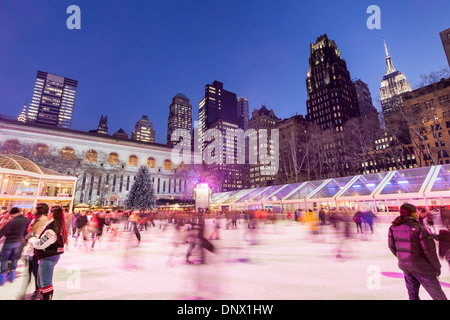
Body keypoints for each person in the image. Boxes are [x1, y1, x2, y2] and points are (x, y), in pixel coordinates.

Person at [388, 203, 447, 300]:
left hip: (407, 268)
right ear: (412, 213)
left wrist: (404, 259)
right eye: (416, 212)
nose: (418, 214)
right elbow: (430, 251)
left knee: (413, 295)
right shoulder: (420, 228)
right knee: (438, 296)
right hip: (423, 268)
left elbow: (392, 247)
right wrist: (437, 267)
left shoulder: (393, 227)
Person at [28, 206, 68, 300]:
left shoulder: (52, 228)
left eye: (49, 212)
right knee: (41, 282)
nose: (47, 214)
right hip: (49, 256)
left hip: (48, 257)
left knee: (45, 284)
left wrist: (32, 240)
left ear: (52, 214)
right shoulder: (55, 225)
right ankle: (43, 297)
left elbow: (40, 244)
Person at [20, 203, 49, 300]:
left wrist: (31, 235)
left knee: (36, 271)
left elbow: (38, 235)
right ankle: (33, 289)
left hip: (35, 249)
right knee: (30, 270)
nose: (33, 209)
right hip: (30, 247)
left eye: (36, 208)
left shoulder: (43, 219)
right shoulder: (35, 218)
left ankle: (38, 289)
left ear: (40, 209)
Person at [0, 207, 30, 285]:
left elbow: (2, 232)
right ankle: (12, 275)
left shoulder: (12, 221)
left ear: (12, 214)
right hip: (19, 242)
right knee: (15, 258)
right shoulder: (26, 220)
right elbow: (27, 231)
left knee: (4, 259)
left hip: (9, 242)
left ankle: (2, 277)